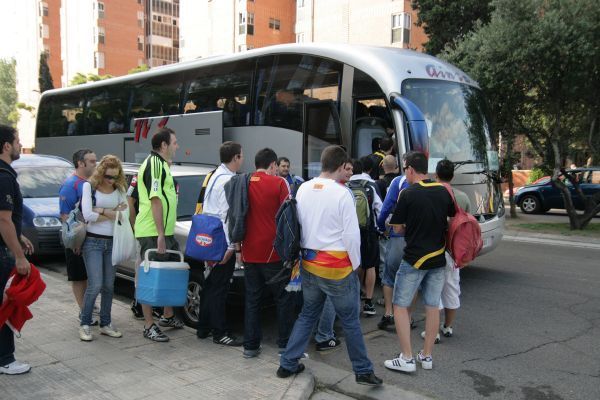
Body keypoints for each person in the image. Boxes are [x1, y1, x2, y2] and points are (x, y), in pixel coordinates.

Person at [277, 145, 382, 387]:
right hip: (336, 266)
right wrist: (355, 265)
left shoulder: (303, 188)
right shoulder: (341, 193)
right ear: (340, 165)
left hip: (309, 262)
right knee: (350, 320)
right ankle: (363, 371)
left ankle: (288, 363)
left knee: (308, 313)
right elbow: (351, 236)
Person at [384, 151, 455, 372]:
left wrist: (408, 226)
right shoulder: (443, 192)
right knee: (433, 306)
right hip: (438, 258)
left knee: (400, 306)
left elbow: (397, 227)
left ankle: (406, 358)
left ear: (410, 170)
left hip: (414, 259)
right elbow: (451, 218)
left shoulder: (408, 193)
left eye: (405, 169)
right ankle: (426, 356)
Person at [241, 148, 295, 358]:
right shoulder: (279, 183)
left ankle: (250, 346)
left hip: (248, 252)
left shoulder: (243, 182)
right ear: (273, 165)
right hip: (273, 252)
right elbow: (289, 216)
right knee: (283, 299)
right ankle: (284, 345)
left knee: (252, 300)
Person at [134, 127, 184, 342]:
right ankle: (148, 325)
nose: (177, 146)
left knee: (167, 274)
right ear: (163, 145)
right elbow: (155, 200)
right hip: (153, 231)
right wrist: (161, 234)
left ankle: (167, 315)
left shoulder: (161, 164)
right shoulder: (155, 164)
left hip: (163, 230)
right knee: (150, 276)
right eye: (174, 142)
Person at [197, 141, 244, 346]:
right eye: (241, 156)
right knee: (219, 289)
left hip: (209, 237)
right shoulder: (229, 180)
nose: (242, 160)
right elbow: (228, 216)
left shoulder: (215, 175)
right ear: (235, 158)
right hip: (221, 242)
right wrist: (231, 246)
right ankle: (220, 332)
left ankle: (203, 328)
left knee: (210, 286)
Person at [418, 159, 470, 342]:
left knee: (434, 291)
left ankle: (434, 332)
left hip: (436, 248)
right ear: (453, 176)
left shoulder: (431, 193)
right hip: (454, 252)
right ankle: (447, 327)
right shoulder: (463, 197)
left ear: (436, 174)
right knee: (452, 289)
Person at [78, 155, 127, 341]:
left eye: (114, 176)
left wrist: (102, 210)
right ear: (101, 173)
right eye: (108, 176)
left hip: (112, 241)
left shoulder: (119, 189)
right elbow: (88, 215)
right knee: (96, 284)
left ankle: (105, 323)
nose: (111, 180)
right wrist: (112, 213)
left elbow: (124, 214)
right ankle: (85, 323)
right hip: (92, 242)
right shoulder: (89, 186)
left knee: (109, 286)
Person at [0, 125, 34, 375]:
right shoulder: (3, 176)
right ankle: (5, 359)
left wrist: (19, 235)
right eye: (17, 140)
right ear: (6, 146)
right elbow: (3, 220)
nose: (21, 144)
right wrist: (19, 256)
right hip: (2, 253)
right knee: (6, 304)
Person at [59, 149, 98, 326]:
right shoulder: (71, 185)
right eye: (91, 161)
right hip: (77, 240)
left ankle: (89, 307)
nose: (95, 164)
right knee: (79, 277)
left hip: (92, 238)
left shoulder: (92, 183)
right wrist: (76, 241)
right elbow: (65, 217)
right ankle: (84, 312)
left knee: (90, 276)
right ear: (81, 163)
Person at [376, 159, 410, 331]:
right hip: (417, 239)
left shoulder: (398, 182)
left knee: (389, 276)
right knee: (411, 278)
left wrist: (382, 228)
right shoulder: (431, 185)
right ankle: (407, 316)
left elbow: (386, 208)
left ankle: (389, 313)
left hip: (397, 236)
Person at [348, 157, 382, 316]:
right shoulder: (371, 186)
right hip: (368, 231)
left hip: (349, 231)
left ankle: (354, 297)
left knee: (354, 263)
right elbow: (379, 209)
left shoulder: (344, 186)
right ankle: (368, 303)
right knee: (371, 265)